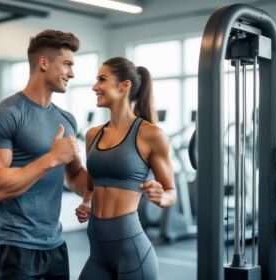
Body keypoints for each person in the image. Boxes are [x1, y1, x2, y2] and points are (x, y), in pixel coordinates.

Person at [0, 29, 90, 280]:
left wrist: (111, 181)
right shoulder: (4, 115)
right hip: (14, 249)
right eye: (67, 64)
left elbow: (76, 176)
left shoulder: (66, 120)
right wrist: (51, 159)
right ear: (44, 63)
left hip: (56, 246)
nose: (72, 73)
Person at [75, 57, 177, 280]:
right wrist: (86, 203)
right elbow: (91, 187)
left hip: (132, 253)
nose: (95, 87)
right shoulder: (93, 135)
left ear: (124, 85)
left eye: (102, 79)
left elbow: (171, 192)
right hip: (97, 253)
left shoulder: (151, 134)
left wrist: (162, 197)